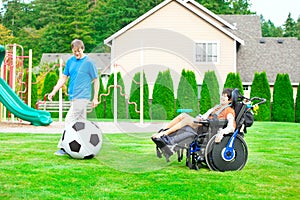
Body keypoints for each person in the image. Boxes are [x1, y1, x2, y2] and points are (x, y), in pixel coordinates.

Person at [48, 39, 100, 156]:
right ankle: (86, 147)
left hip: (83, 97)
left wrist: (95, 97)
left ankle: (63, 147)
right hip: (73, 97)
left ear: (83, 49)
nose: (77, 53)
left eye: (79, 51)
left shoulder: (88, 62)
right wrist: (54, 91)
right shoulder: (70, 61)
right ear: (72, 50)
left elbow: (96, 80)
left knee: (69, 120)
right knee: (81, 123)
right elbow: (63, 78)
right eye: (74, 51)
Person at [152, 88, 236, 144]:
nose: (222, 97)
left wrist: (222, 133)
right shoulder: (217, 107)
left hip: (207, 128)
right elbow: (205, 115)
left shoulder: (229, 110)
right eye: (222, 95)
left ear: (230, 100)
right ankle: (162, 131)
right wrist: (201, 117)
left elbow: (231, 127)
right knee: (183, 115)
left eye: (225, 96)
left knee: (186, 120)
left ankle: (164, 134)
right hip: (203, 123)